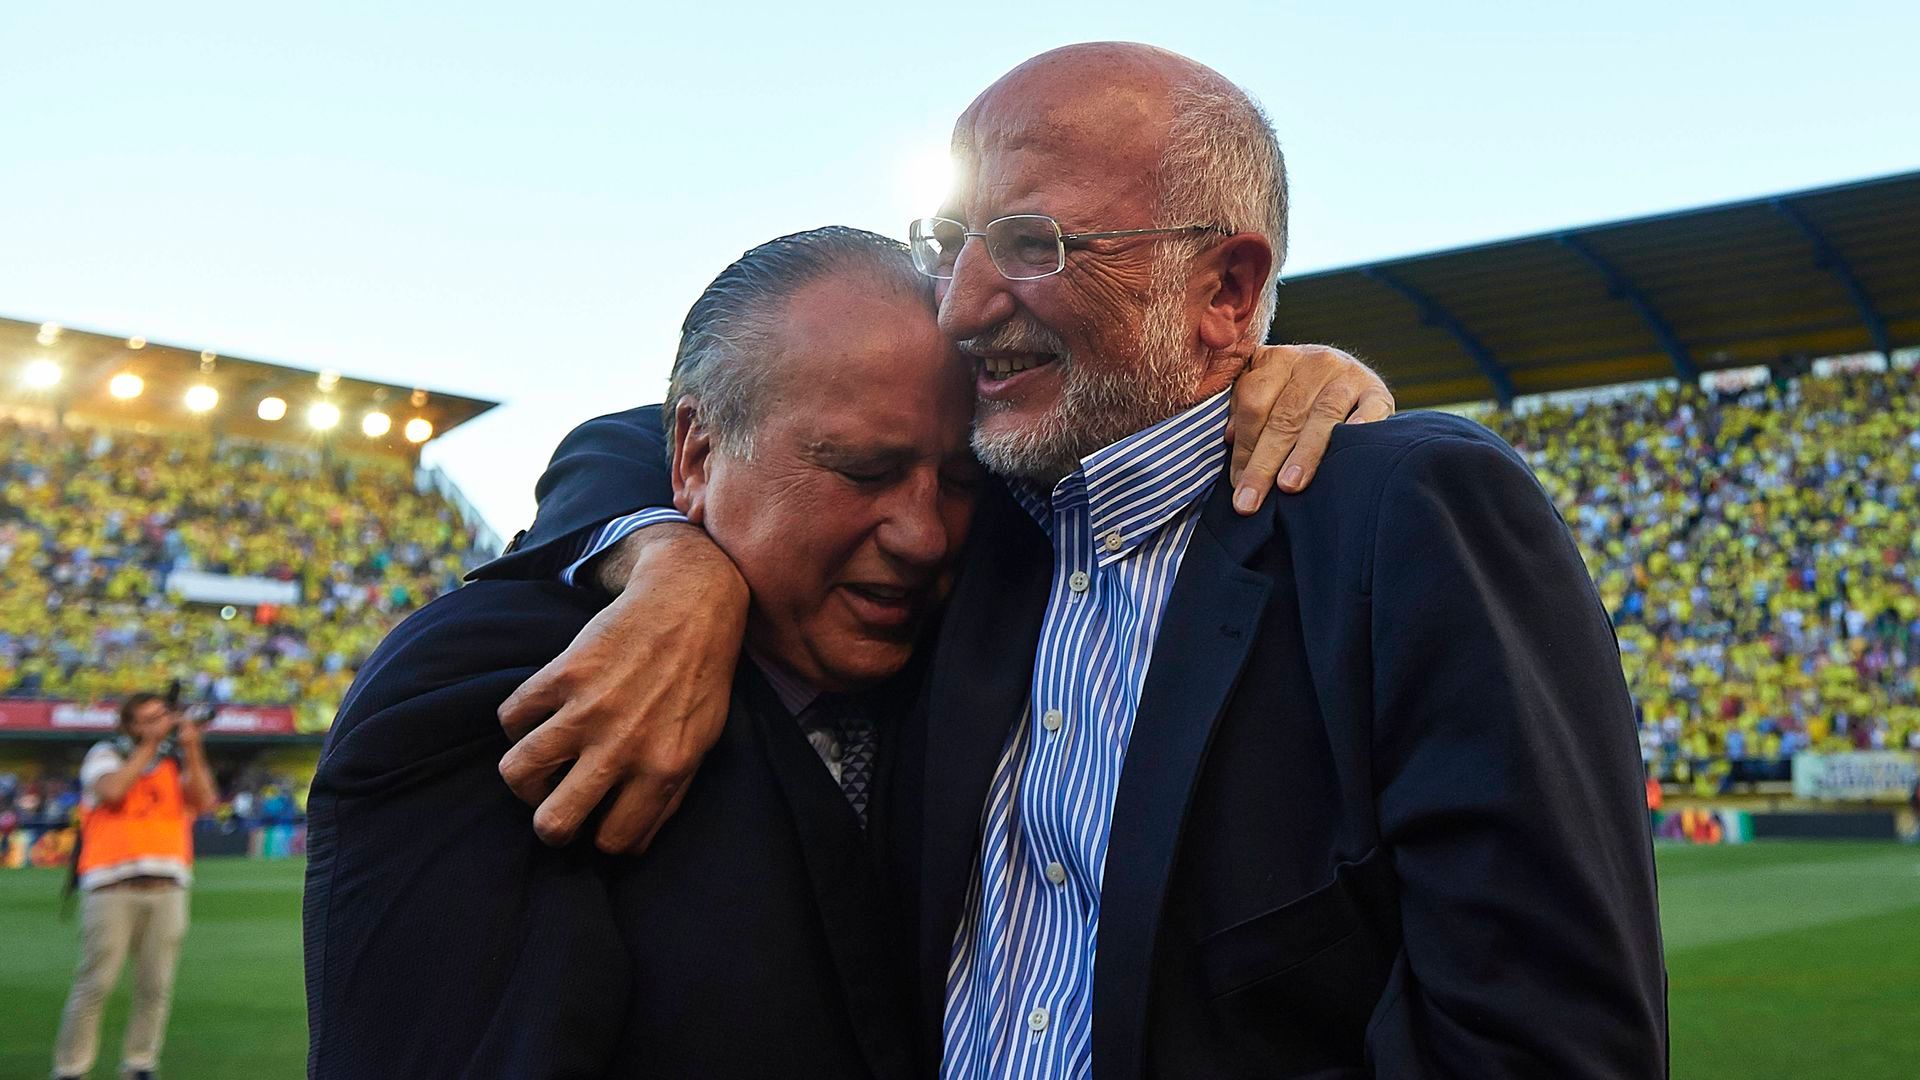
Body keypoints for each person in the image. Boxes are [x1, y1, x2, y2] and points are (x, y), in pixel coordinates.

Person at [489, 43, 1669, 1078]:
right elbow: (654, 436)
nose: (959, 304)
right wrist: (667, 560)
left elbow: (1546, 1048)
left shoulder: (1403, 520)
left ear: (1226, 288)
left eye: (1031, 243)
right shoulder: (970, 532)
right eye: (951, 244)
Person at [304, 226, 1383, 1077]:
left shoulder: (978, 639)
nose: (922, 534)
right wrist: (664, 550)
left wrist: (1266, 385)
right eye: (861, 473)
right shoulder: (501, 687)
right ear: (693, 454)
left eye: (961, 482)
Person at [53, 691, 217, 1080]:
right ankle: (70, 1068)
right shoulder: (106, 754)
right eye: (147, 719)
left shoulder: (174, 760)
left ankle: (140, 1063)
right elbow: (112, 791)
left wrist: (192, 749)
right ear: (129, 726)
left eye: (162, 717)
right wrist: (150, 745)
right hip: (112, 884)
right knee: (95, 983)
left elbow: (205, 800)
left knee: (156, 986)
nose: (158, 724)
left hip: (167, 883)